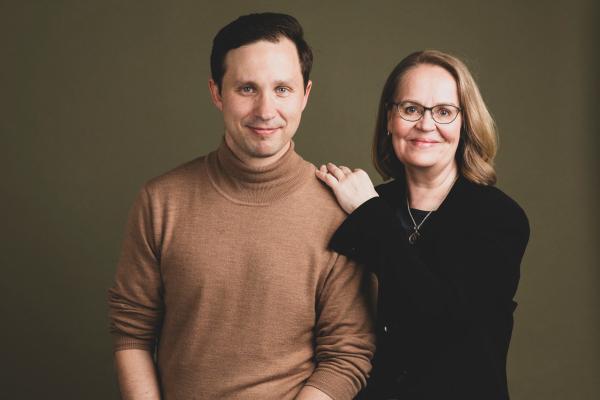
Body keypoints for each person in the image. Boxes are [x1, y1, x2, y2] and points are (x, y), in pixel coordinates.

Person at [108, 13, 375, 400]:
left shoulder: (338, 212)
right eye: (247, 88)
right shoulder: (161, 201)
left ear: (305, 95)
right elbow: (132, 331)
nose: (265, 110)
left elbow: (347, 356)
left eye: (282, 89)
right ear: (217, 92)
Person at [316, 50, 529, 399]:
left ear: (464, 123)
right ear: (389, 118)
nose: (426, 125)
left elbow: (451, 329)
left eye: (444, 112)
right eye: (411, 109)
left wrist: (371, 216)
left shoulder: (499, 218)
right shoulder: (370, 204)